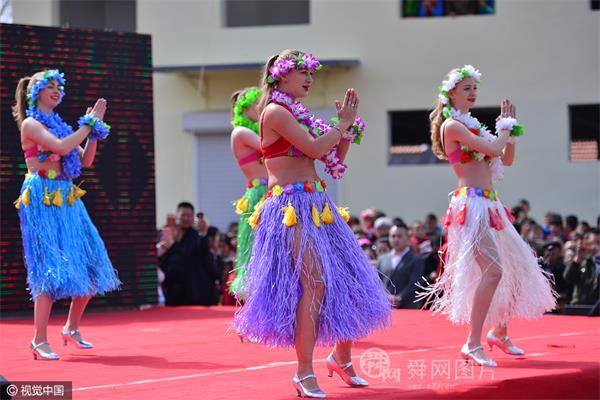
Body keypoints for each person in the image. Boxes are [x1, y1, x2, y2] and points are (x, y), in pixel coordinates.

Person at [232, 50, 390, 398]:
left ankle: (341, 358)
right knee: (314, 280)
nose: (309, 79)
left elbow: (333, 159)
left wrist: (345, 132)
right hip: (289, 206)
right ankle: (304, 372)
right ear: (281, 77)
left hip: (318, 203)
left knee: (349, 278)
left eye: (311, 74)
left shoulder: (299, 115)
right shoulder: (275, 112)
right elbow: (316, 149)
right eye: (302, 72)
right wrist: (341, 126)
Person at [419, 65, 556, 367]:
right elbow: (495, 147)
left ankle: (500, 332)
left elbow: (506, 158)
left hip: (491, 204)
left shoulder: (473, 126)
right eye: (466, 88)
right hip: (472, 205)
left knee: (517, 266)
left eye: (474, 88)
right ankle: (472, 343)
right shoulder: (452, 126)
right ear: (451, 94)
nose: (473, 93)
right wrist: (504, 129)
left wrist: (510, 134)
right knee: (493, 271)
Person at [12, 69, 121, 360]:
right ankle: (39, 339)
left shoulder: (60, 125)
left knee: (92, 262)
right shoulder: (32, 124)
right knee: (48, 269)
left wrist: (93, 133)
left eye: (59, 86)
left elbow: (85, 160)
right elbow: (61, 147)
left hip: (67, 196)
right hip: (42, 197)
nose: (56, 91)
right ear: (36, 92)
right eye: (50, 86)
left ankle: (71, 327)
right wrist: (88, 124)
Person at [228, 87, 268, 299]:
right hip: (260, 193)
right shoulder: (240, 132)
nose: (261, 108)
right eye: (256, 105)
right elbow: (268, 146)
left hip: (266, 190)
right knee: (255, 249)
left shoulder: (249, 131)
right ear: (244, 108)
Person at [158, 202, 219, 306]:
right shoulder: (167, 233)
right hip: (173, 291)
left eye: (189, 215)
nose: (186, 218)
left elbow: (203, 249)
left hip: (194, 292)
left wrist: (203, 232)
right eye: (183, 215)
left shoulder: (196, 235)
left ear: (193, 217)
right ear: (177, 216)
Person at [378, 225, 424, 309]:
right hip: (385, 306)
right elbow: (378, 281)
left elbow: (414, 283)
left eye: (399, 236)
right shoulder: (382, 259)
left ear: (407, 238)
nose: (396, 239)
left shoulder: (416, 260)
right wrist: (385, 297)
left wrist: (399, 298)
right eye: (393, 236)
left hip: (406, 307)